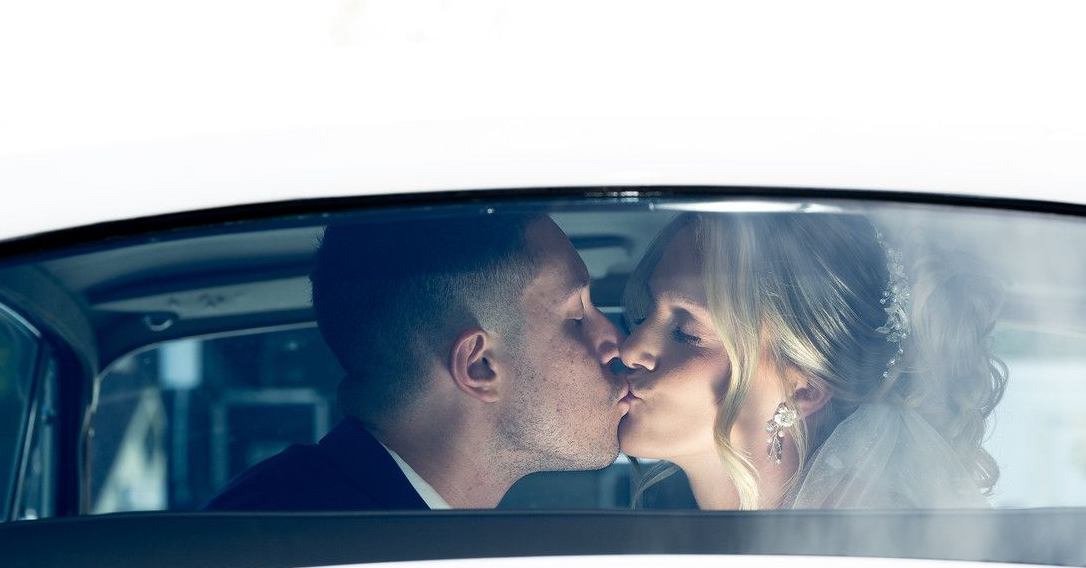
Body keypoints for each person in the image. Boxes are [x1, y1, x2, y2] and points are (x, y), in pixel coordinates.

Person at [204, 211, 628, 511]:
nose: (616, 342)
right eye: (576, 318)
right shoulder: (309, 560)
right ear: (479, 366)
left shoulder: (332, 518)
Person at [617, 212, 1006, 510]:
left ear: (803, 388)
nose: (631, 349)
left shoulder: (863, 559)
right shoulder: (657, 533)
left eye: (685, 332)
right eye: (641, 318)